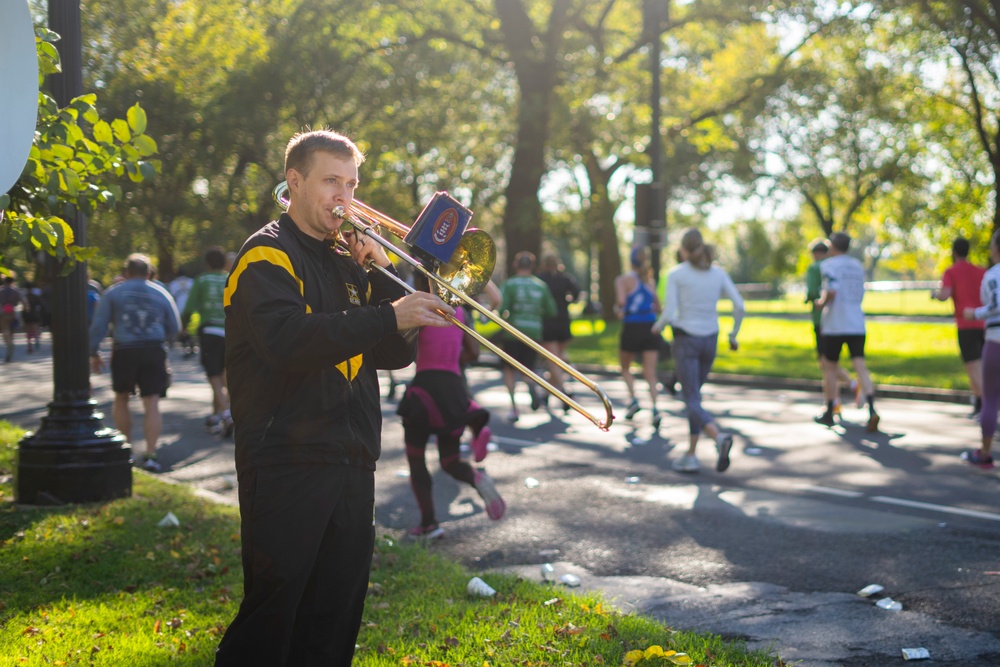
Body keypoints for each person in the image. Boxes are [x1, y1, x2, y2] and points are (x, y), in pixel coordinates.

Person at [214, 129, 452, 667]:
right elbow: (288, 342)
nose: (344, 197)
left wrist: (382, 273)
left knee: (333, 620)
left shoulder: (349, 261)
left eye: (351, 183)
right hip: (285, 460)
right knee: (273, 618)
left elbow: (393, 351)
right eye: (330, 181)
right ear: (294, 182)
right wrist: (386, 313)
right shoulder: (266, 255)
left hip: (351, 457)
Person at [396, 275, 504, 539]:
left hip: (424, 390)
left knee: (416, 459)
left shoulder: (420, 308)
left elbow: (403, 350)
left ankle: (429, 523)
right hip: (454, 389)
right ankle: (477, 478)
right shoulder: (461, 314)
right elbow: (475, 354)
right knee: (450, 460)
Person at [652, 228, 744, 473]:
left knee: (691, 398)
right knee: (695, 397)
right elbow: (739, 306)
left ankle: (719, 438)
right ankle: (691, 454)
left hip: (686, 341)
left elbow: (669, 312)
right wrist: (733, 335)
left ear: (683, 249)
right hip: (710, 340)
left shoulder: (677, 274)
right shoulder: (718, 274)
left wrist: (657, 328)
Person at [88, 253, 181, 472]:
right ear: (149, 273)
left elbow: (98, 326)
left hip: (124, 350)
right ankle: (150, 454)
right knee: (152, 402)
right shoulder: (161, 293)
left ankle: (126, 449)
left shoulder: (113, 293)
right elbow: (175, 327)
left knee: (121, 397)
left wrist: (93, 352)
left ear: (126, 272)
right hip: (154, 349)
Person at [813, 232, 879, 432]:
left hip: (835, 324)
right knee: (860, 365)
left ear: (833, 246)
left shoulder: (829, 265)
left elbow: (831, 291)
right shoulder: (857, 266)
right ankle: (872, 409)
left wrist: (820, 303)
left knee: (830, 367)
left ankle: (830, 409)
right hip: (856, 322)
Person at [498, 251, 558, 423]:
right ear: (532, 266)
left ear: (516, 265)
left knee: (509, 369)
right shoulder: (541, 285)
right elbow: (551, 310)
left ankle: (514, 408)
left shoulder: (510, 284)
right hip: (533, 332)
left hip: (513, 332)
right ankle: (531, 384)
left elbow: (502, 309)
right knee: (528, 368)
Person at [933, 237, 986, 419]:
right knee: (981, 366)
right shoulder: (980, 271)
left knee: (973, 367)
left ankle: (986, 406)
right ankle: (979, 404)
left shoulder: (951, 271)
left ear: (954, 252)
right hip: (983, 323)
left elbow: (944, 294)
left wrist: (935, 295)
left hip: (966, 324)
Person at [182, 246, 233, 437]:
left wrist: (184, 326)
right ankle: (216, 414)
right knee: (226, 374)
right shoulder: (231, 277)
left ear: (207, 263)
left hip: (210, 330)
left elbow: (189, 308)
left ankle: (228, 414)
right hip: (230, 331)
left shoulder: (202, 280)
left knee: (214, 376)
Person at [960, 229, 1000, 468]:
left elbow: (993, 306)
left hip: (995, 340)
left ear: (995, 248)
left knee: (991, 398)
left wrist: (973, 313)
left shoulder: (992, 275)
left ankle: (984, 453)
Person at [805, 239, 857, 416]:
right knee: (832, 363)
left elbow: (813, 292)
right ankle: (838, 399)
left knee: (826, 364)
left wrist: (812, 299)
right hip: (844, 320)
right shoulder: (842, 266)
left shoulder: (816, 268)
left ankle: (837, 398)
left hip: (823, 320)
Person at [615, 246, 662, 426]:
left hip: (632, 327)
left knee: (625, 367)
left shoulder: (623, 280)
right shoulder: (649, 281)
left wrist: (619, 310)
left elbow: (621, 302)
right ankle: (656, 409)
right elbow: (658, 306)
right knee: (650, 373)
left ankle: (633, 398)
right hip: (650, 327)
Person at [537, 253, 580, 412]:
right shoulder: (565, 279)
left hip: (548, 321)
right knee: (556, 359)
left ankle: (562, 393)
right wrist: (567, 300)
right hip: (563, 321)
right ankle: (547, 394)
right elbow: (577, 293)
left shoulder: (540, 279)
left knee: (554, 361)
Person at [169, 269, 196, 357]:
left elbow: (171, 297)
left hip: (179, 308)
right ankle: (192, 343)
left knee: (181, 329)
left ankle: (186, 345)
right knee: (190, 327)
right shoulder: (191, 282)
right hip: (191, 308)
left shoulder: (173, 283)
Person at [0, 276, 23, 363]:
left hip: (2, 313)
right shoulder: (16, 291)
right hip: (12, 312)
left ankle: (9, 344)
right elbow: (21, 301)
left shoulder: (1, 290)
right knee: (11, 331)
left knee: (5, 330)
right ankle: (10, 344)